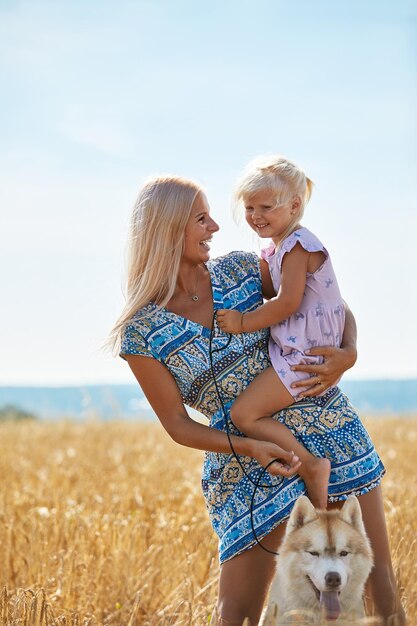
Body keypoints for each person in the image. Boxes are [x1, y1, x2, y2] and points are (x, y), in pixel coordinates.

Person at [108, 174, 405, 625]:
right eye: (202, 219)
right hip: (246, 464)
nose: (216, 228)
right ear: (168, 229)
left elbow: (329, 301)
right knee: (239, 616)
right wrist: (250, 447)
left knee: (378, 600)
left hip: (332, 432)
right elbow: (178, 426)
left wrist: (348, 353)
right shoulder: (140, 333)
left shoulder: (242, 270)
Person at [216, 155, 341, 510]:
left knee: (244, 415)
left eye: (266, 207)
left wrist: (242, 322)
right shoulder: (280, 248)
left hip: (307, 356)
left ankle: (312, 466)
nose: (256, 216)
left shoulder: (299, 246)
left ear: (295, 205)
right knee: (247, 412)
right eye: (250, 207)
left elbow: (286, 302)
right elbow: (272, 285)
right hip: (301, 348)